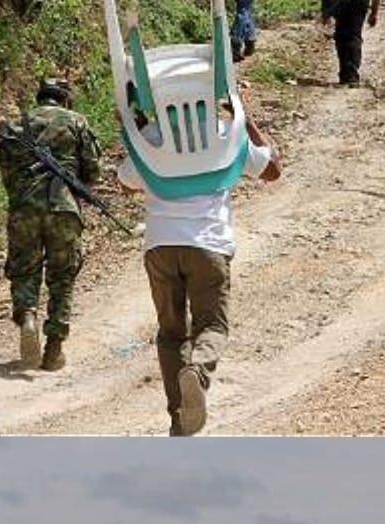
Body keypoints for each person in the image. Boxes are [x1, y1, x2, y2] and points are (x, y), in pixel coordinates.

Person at [116, 114, 282, 436]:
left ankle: (180, 420)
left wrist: (136, 132)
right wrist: (244, 119)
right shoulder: (223, 131)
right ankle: (198, 371)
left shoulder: (152, 135)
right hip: (208, 247)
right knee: (212, 326)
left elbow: (125, 183)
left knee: (171, 334)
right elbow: (272, 170)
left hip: (161, 246)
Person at [0, 77, 102, 372]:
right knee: (62, 276)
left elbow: (7, 174)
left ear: (40, 97)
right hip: (64, 209)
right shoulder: (76, 122)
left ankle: (27, 315)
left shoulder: (17, 125)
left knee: (24, 269)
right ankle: (54, 349)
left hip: (24, 209)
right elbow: (92, 171)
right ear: (65, 98)